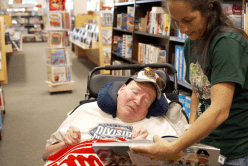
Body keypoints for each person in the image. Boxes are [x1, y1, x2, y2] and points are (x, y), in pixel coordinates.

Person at [130, 0, 248, 165]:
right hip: (208, 148)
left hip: (240, 153)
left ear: (209, 9)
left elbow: (220, 110)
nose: (183, 29)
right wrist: (191, 127)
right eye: (176, 21)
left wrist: (173, 147)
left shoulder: (227, 44)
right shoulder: (192, 43)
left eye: (188, 19)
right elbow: (198, 88)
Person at [42, 67, 183, 162]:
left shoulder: (161, 127)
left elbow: (179, 160)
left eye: (146, 101)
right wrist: (65, 144)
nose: (138, 101)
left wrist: (140, 150)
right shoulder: (85, 111)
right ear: (121, 89)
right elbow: (46, 155)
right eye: (135, 92)